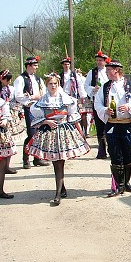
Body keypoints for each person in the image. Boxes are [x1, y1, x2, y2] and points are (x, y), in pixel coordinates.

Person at [26, 73, 91, 205]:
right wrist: (46, 121)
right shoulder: (42, 101)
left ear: (58, 84)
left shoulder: (66, 99)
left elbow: (73, 115)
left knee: (60, 162)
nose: (53, 86)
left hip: (63, 132)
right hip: (49, 133)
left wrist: (71, 125)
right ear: (47, 85)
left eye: (55, 83)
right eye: (50, 84)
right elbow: (35, 115)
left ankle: (58, 193)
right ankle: (61, 189)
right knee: (56, 163)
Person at [94, 58, 131, 197]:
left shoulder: (130, 85)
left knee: (127, 154)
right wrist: (105, 110)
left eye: (109, 70)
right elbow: (97, 104)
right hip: (111, 125)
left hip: (126, 124)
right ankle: (118, 185)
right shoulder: (105, 87)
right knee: (115, 154)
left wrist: (129, 106)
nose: (107, 72)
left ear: (116, 70)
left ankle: (126, 183)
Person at [13, 55, 49, 169]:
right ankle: (26, 158)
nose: (36, 68)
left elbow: (44, 92)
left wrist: (41, 98)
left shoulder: (38, 79)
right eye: (35, 65)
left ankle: (37, 158)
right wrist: (32, 97)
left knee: (40, 133)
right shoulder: (20, 79)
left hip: (39, 108)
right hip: (29, 108)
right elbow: (18, 96)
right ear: (28, 66)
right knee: (31, 133)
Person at [84, 50, 110, 159]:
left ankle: (112, 149)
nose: (98, 62)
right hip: (97, 102)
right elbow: (85, 85)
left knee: (110, 125)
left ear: (105, 61)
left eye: (100, 60)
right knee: (99, 126)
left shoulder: (109, 71)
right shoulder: (92, 72)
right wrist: (93, 89)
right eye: (97, 60)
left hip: (108, 101)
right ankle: (102, 151)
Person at [59, 57, 90, 135]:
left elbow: (79, 85)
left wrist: (83, 96)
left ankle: (81, 132)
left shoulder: (74, 75)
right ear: (62, 65)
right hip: (64, 98)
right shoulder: (60, 76)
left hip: (75, 97)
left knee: (78, 115)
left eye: (68, 64)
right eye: (65, 64)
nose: (67, 66)